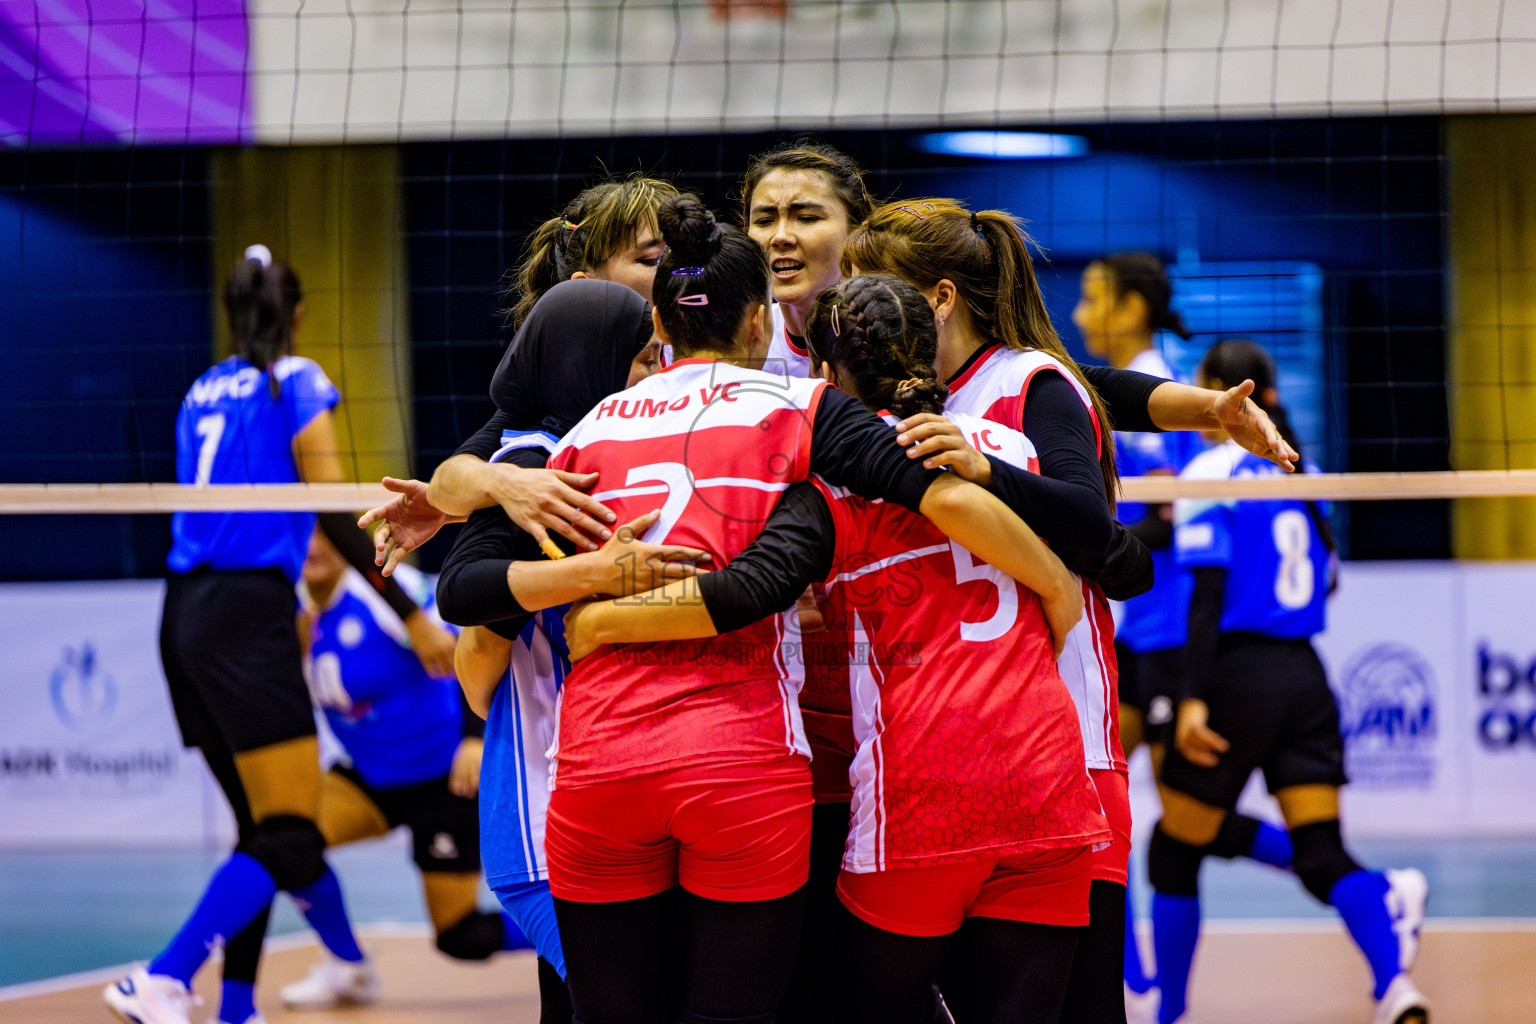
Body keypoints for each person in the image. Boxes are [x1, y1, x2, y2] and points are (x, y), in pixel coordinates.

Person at [518, 193, 1112, 1024]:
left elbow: (490, 614)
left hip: (628, 764)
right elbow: (1056, 532)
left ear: (660, 325)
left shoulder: (583, 435)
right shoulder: (979, 441)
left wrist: (598, 614)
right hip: (1020, 783)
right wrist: (1054, 584)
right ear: (761, 324)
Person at [106, 246, 450, 1024]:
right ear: (295, 313)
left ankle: (235, 1008)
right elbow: (333, 503)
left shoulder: (200, 390)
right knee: (290, 827)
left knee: (263, 832)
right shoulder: (295, 380)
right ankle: (161, 978)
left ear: (232, 312)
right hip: (247, 612)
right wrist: (412, 616)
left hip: (183, 614)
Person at [435, 277, 712, 1024]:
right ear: (589, 363)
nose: (659, 374)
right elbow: (463, 597)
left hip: (605, 789)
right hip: (539, 803)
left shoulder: (583, 446)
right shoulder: (534, 460)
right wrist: (596, 575)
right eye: (643, 359)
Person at [1150, 340, 1429, 1024]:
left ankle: (1167, 1014)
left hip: (1235, 676)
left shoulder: (1209, 472)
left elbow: (1207, 598)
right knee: (1321, 852)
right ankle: (1396, 984)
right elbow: (1328, 579)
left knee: (1172, 852)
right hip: (1305, 673)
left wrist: (1192, 697)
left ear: (1223, 394)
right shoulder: (1305, 471)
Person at [1072, 253, 1293, 1011]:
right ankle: (1131, 950)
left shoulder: (1165, 394)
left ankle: (1334, 872)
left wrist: (1097, 527)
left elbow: (1179, 518)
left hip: (1168, 636)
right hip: (1133, 635)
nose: (1078, 313)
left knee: (1180, 818)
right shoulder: (1103, 392)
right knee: (1099, 793)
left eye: (1093, 297)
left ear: (1132, 308)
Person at [277, 528, 535, 1011]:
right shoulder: (292, 612)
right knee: (285, 842)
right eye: (303, 531)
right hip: (370, 778)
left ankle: (584, 944)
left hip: (444, 776)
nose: (312, 546)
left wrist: (474, 739)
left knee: (461, 937)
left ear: (348, 544)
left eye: (326, 534)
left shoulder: (393, 598)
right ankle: (347, 966)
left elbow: (477, 646)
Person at [741, 141, 875, 378]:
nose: (780, 237)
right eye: (764, 221)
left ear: (857, 235)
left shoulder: (896, 343)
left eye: (807, 218)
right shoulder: (733, 343)